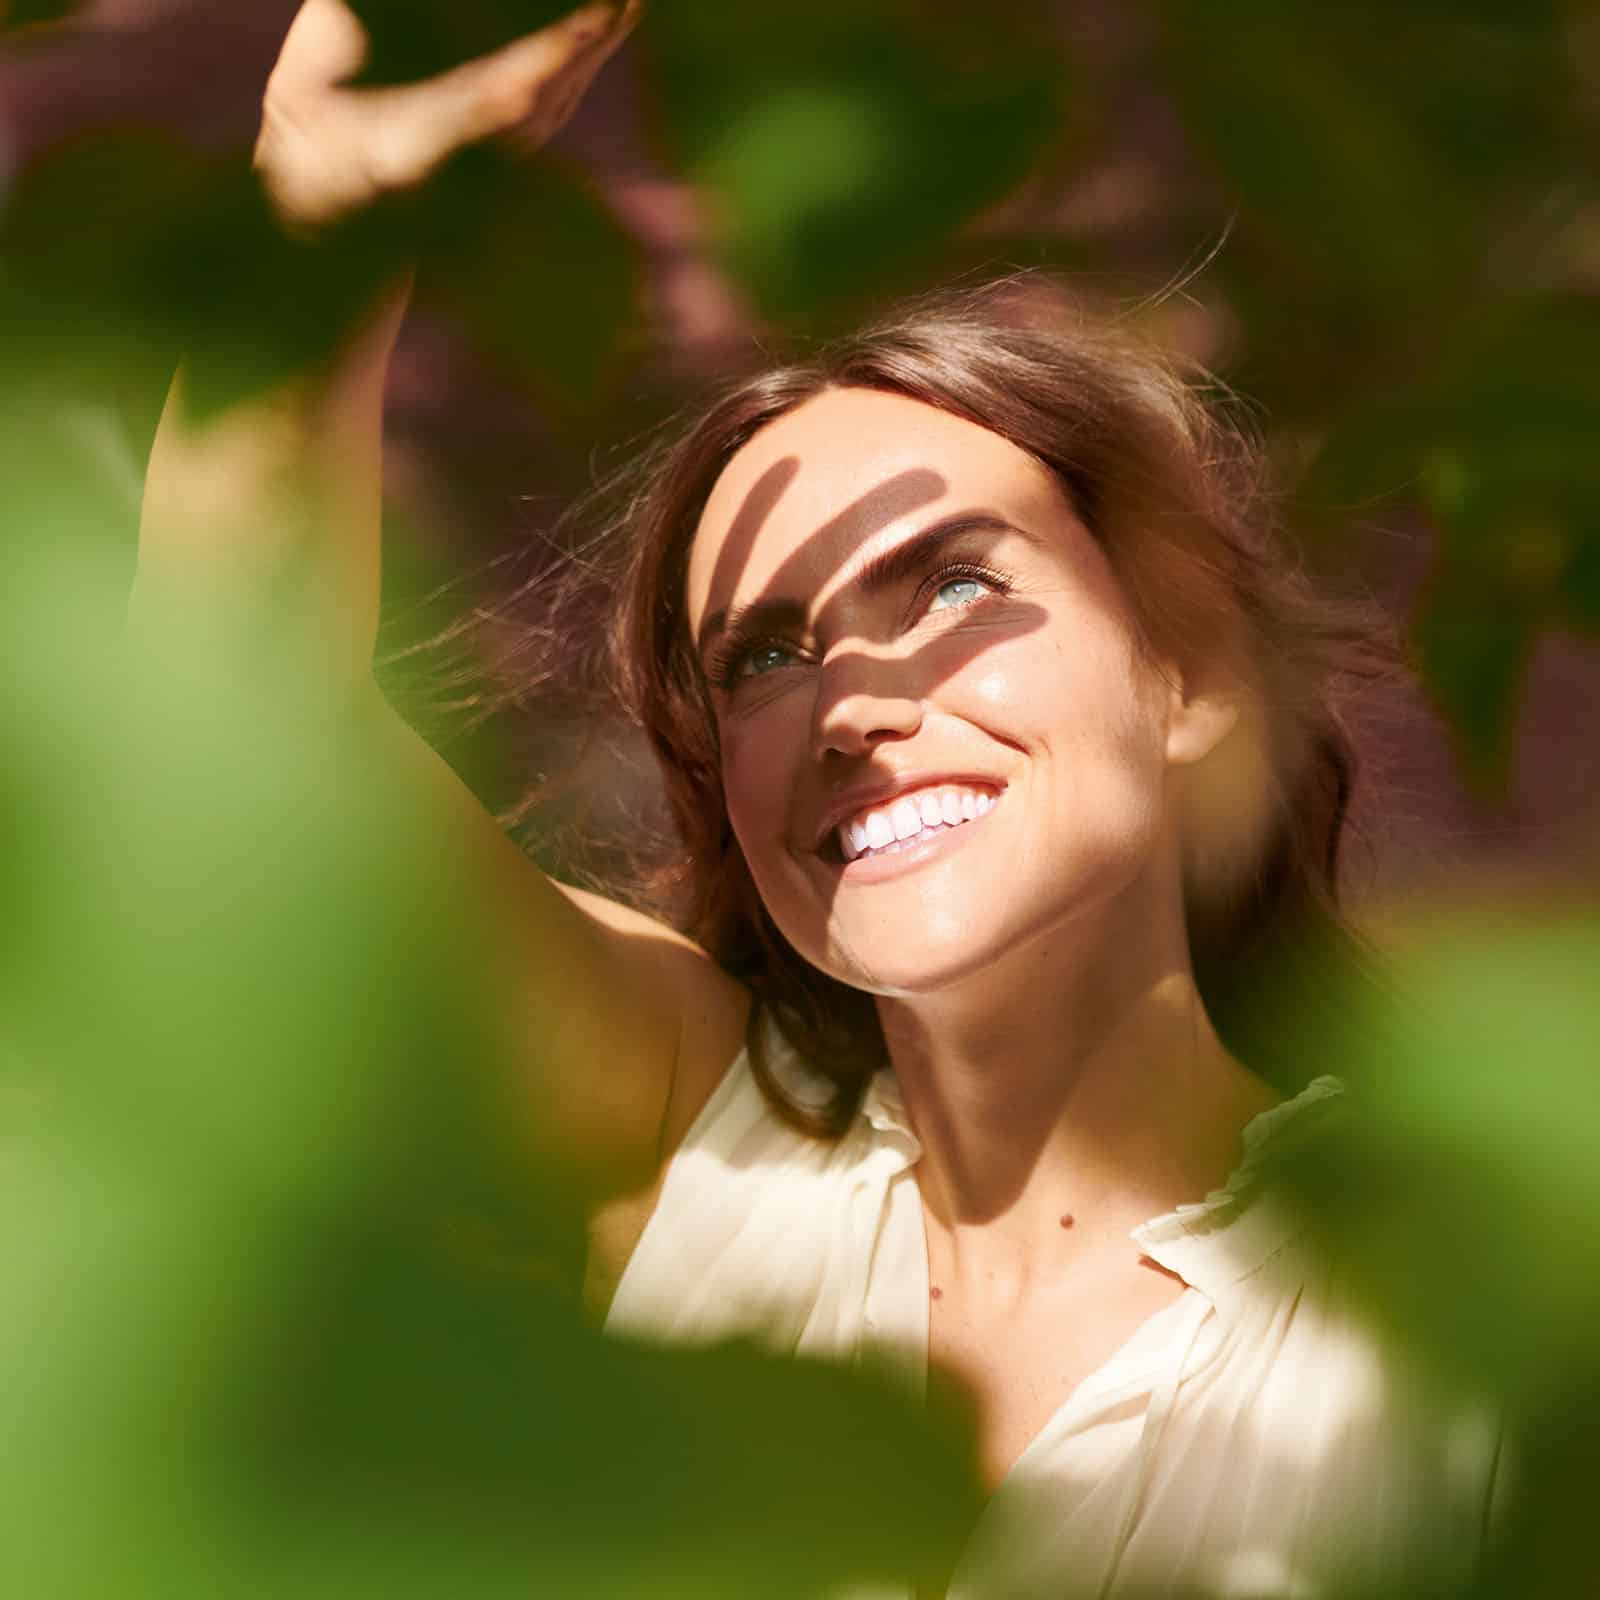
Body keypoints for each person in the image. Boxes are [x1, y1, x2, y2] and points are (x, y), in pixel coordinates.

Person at [136, 4, 1504, 1595]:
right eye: (767, 655)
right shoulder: (691, 1141)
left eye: (948, 589)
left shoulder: (1480, 1299)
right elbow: (235, 750)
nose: (853, 701)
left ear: (1191, 678)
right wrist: (321, 214)